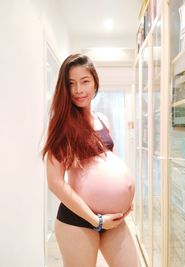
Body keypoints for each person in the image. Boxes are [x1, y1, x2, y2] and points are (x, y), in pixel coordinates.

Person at [42, 53, 138, 267]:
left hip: (113, 218)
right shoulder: (62, 125)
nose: (78, 90)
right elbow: (55, 183)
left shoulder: (102, 119)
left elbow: (109, 162)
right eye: (71, 84)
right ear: (64, 88)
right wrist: (96, 220)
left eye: (85, 81)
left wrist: (122, 197)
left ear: (95, 82)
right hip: (78, 220)